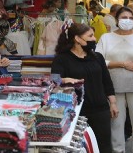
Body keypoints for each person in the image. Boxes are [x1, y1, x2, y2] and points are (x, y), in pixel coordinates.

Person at [51, 23, 118, 153]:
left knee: (104, 146)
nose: (94, 39)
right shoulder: (62, 59)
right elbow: (54, 80)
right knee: (78, 148)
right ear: (77, 39)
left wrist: (113, 103)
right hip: (76, 111)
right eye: (90, 36)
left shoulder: (97, 57)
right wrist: (66, 80)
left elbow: (106, 81)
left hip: (100, 109)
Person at [96, 6, 133, 153]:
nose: (127, 20)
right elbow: (99, 61)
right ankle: (117, 150)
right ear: (116, 19)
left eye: (131, 18)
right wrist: (122, 64)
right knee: (116, 121)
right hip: (113, 86)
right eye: (123, 17)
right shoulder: (106, 38)